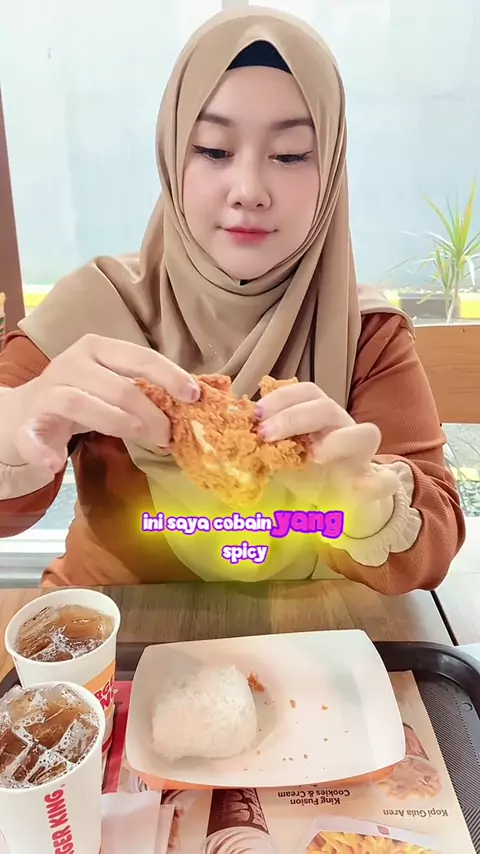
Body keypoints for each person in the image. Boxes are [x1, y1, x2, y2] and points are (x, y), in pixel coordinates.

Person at [0, 6, 464, 591]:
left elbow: (432, 547)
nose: (248, 190)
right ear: (171, 156)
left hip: (311, 627)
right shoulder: (93, 311)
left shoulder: (363, 332)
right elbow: (9, 512)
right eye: (214, 150)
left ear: (331, 174)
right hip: (111, 623)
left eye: (290, 154)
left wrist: (364, 498)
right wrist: (13, 432)